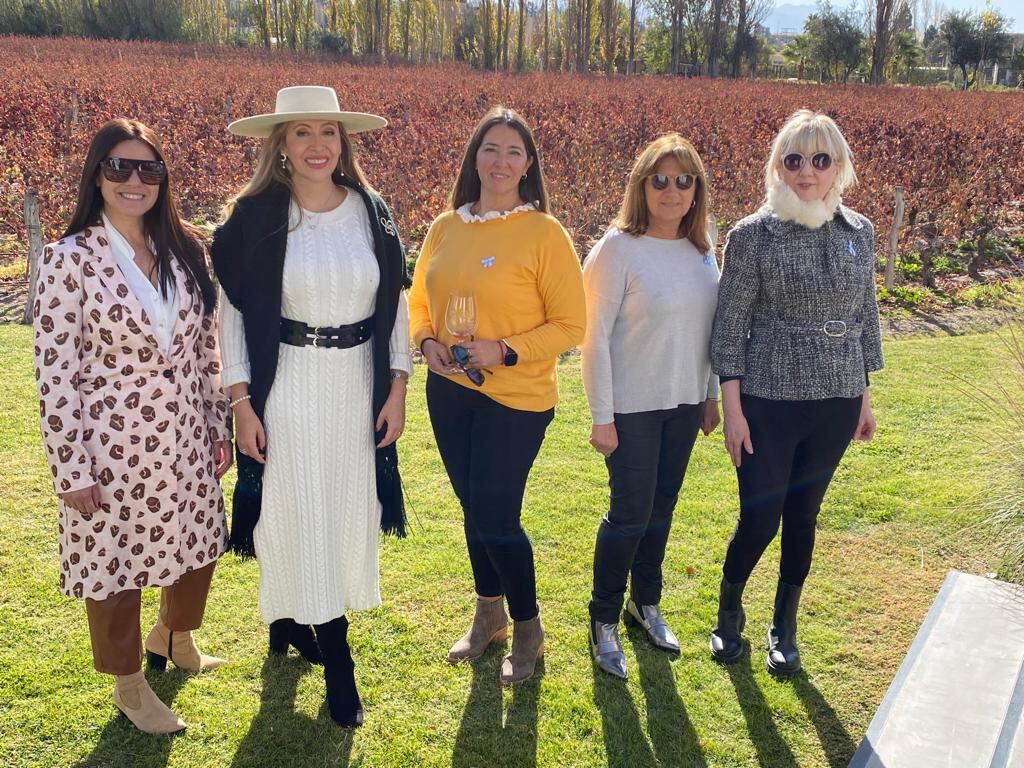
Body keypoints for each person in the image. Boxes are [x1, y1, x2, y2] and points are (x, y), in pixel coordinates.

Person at [210, 86, 410, 728]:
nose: (318, 145)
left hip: (356, 384)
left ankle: (291, 619)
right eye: (302, 133)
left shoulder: (370, 212)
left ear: (343, 142)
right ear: (281, 146)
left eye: (329, 131)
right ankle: (338, 659)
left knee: (341, 510)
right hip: (289, 384)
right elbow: (233, 318)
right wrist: (242, 401)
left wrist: (398, 386)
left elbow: (396, 307)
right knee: (299, 507)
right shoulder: (254, 218)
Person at [32, 119, 232, 734]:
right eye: (119, 167)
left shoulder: (187, 250)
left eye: (149, 169)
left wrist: (218, 421)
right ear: (98, 176)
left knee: (196, 542)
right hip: (108, 441)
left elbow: (207, 346)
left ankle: (174, 635)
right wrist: (71, 467)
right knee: (115, 560)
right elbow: (54, 373)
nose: (134, 180)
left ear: (163, 180)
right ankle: (128, 683)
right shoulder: (68, 261)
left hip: (185, 432)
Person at [408, 106, 586, 685]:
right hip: (449, 389)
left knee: (495, 511)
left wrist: (503, 349)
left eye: (513, 151)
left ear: (528, 164)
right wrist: (426, 340)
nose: (501, 161)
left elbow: (570, 325)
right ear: (474, 158)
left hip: (517, 398)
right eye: (491, 149)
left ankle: (528, 625)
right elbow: (418, 300)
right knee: (472, 507)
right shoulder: (445, 226)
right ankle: (489, 616)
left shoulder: (544, 233)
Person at [709, 109, 883, 675]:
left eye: (820, 159)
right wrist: (733, 410)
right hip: (767, 401)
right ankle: (728, 611)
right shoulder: (752, 235)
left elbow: (865, 319)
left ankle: (784, 625)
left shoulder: (860, 232)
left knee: (804, 514)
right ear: (777, 167)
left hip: (835, 401)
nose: (807, 171)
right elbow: (729, 327)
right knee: (761, 517)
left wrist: (862, 396)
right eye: (794, 159)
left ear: (839, 167)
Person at [581, 134, 721, 680]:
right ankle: (603, 619)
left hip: (684, 404)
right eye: (659, 179)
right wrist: (602, 416)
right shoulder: (617, 250)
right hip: (631, 410)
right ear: (641, 186)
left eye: (683, 180)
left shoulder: (703, 249)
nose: (671, 190)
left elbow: (710, 331)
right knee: (630, 515)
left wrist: (707, 395)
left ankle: (646, 604)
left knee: (661, 510)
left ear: (696, 191)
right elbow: (592, 339)